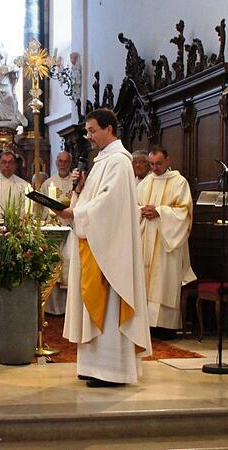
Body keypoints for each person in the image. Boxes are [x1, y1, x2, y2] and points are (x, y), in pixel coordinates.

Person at [57, 108, 151, 387]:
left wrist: (77, 214)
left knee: (109, 307)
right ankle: (93, 366)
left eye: (92, 130)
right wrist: (78, 192)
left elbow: (109, 204)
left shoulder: (120, 162)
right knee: (93, 303)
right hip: (97, 245)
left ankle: (112, 370)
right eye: (87, 131)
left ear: (109, 129)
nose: (88, 137)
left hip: (111, 251)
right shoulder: (102, 161)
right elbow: (94, 199)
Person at [137, 146, 197, 340]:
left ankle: (165, 327)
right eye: (152, 164)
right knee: (145, 280)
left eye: (159, 163)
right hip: (145, 237)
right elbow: (133, 205)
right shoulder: (145, 183)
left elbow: (184, 211)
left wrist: (160, 212)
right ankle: (145, 325)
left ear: (168, 160)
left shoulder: (179, 182)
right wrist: (142, 210)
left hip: (167, 241)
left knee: (164, 281)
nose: (154, 168)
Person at [43, 151, 75, 316]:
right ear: (56, 162)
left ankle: (69, 307)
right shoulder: (48, 183)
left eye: (66, 162)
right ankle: (52, 307)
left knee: (70, 266)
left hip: (71, 231)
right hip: (52, 232)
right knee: (53, 265)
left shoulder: (75, 183)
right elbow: (41, 209)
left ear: (70, 163)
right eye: (60, 161)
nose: (62, 164)